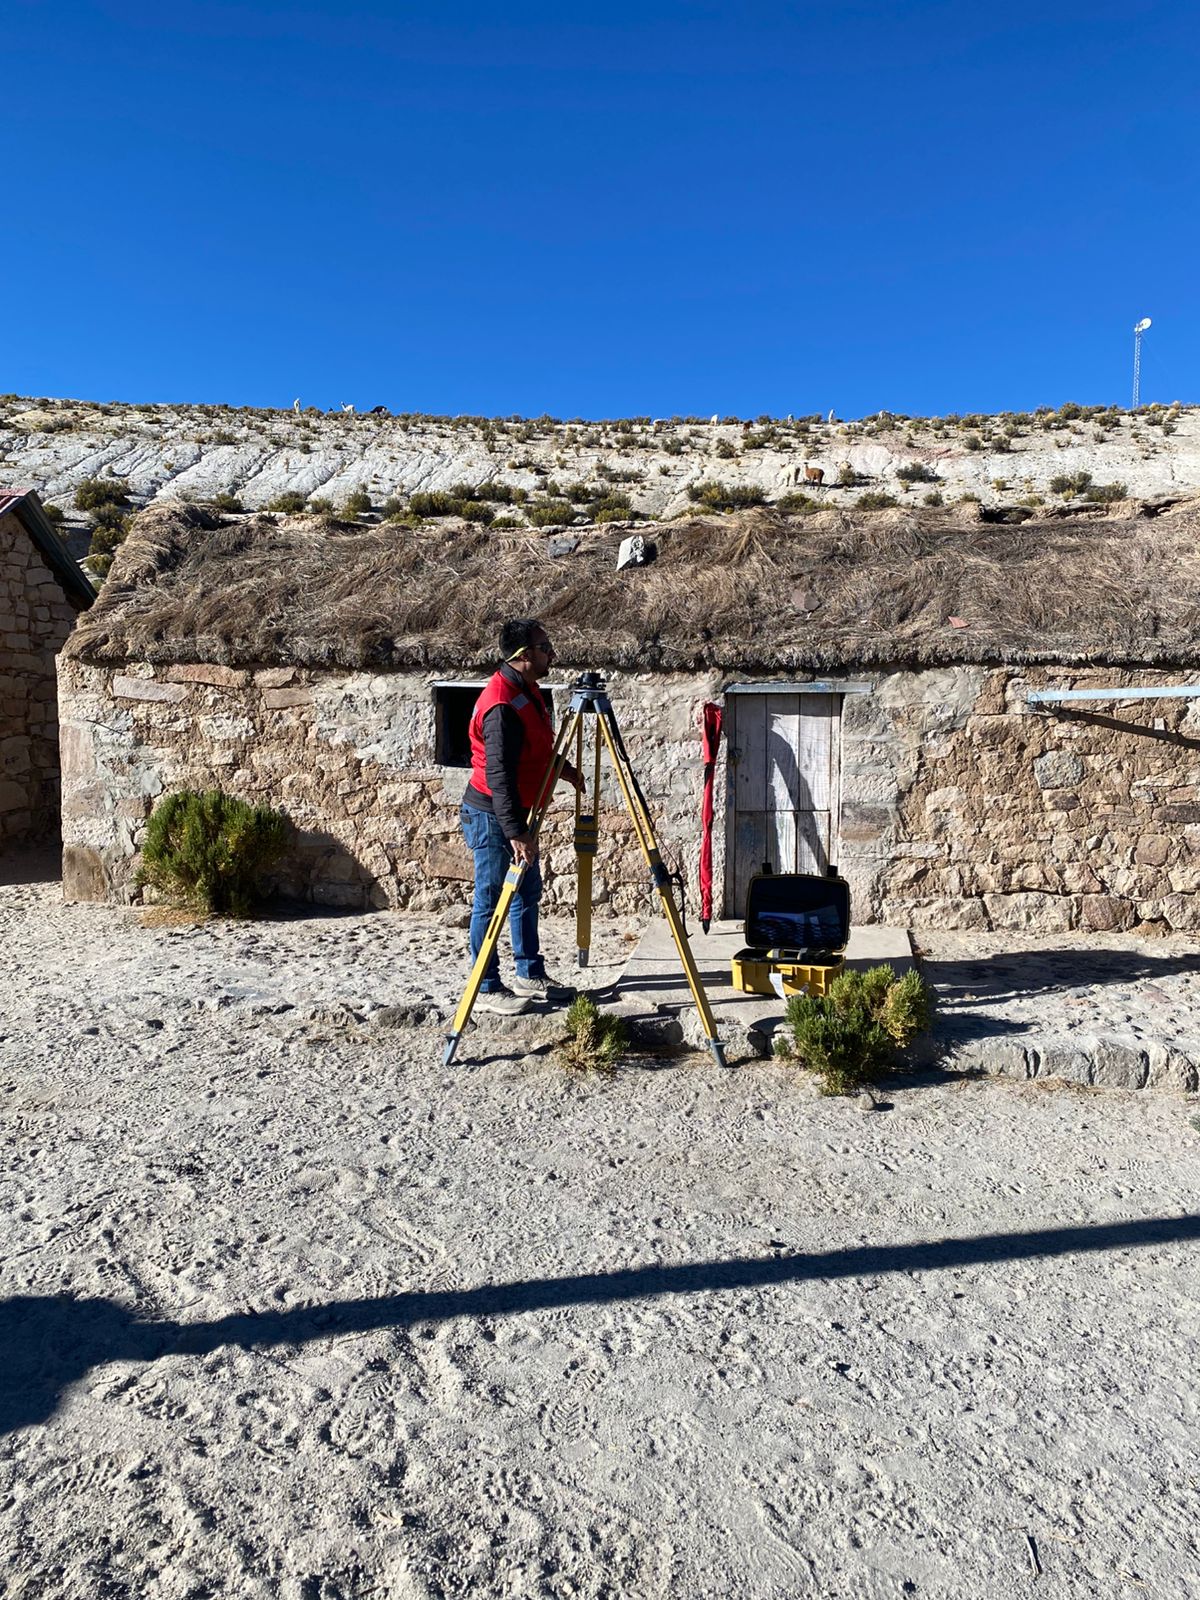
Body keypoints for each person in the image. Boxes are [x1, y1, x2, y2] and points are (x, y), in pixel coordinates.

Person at [460, 619, 583, 1014]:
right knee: (492, 898)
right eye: (545, 647)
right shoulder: (500, 706)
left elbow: (536, 748)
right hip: (493, 816)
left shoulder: (527, 691)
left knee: (527, 893)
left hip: (518, 813)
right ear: (523, 656)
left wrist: (564, 770)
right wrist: (516, 833)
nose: (552, 653)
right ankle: (487, 986)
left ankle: (529, 972)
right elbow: (499, 776)